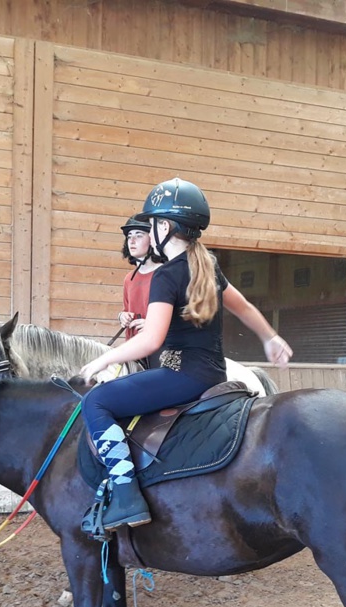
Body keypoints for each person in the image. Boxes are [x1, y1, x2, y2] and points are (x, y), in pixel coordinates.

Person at [80, 178, 293, 530]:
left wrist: (105, 358)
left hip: (180, 376)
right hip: (213, 374)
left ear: (164, 228)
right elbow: (243, 306)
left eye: (152, 225)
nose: (150, 232)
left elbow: (151, 340)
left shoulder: (167, 274)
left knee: (96, 402)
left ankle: (126, 495)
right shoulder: (208, 264)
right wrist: (269, 337)